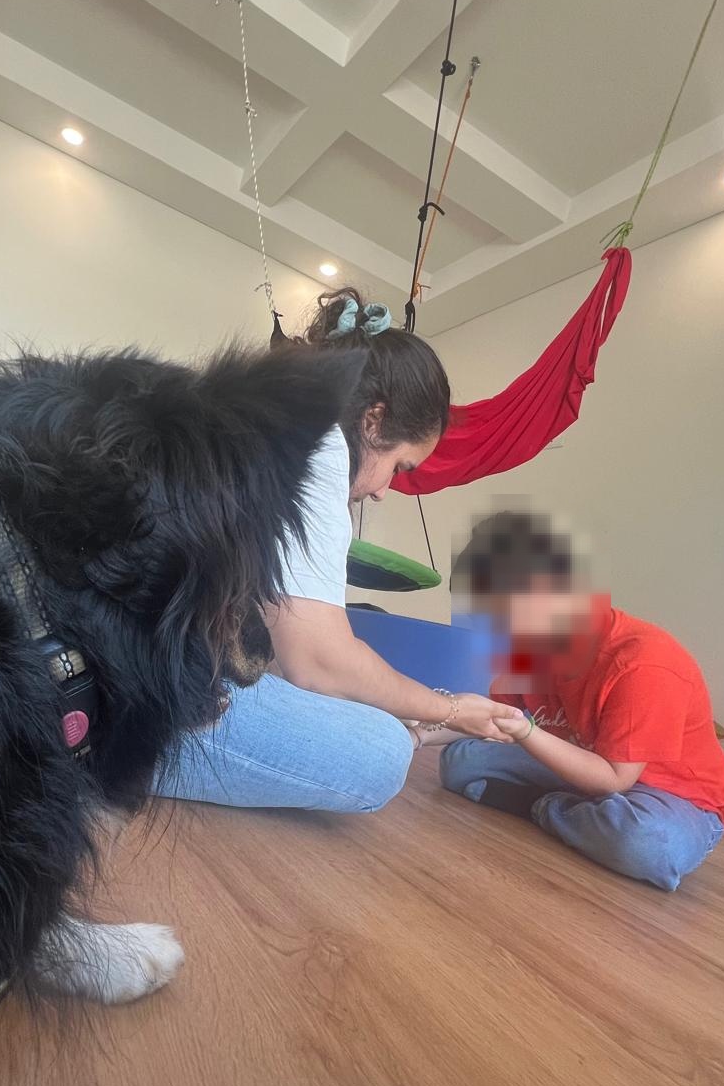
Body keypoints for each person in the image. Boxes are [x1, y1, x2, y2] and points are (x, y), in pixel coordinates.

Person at [154, 288, 524, 813]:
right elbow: (318, 663)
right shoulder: (320, 448)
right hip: (115, 680)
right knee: (381, 752)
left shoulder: (265, 413)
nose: (383, 491)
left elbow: (288, 641)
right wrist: (449, 709)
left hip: (104, 636)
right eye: (398, 467)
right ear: (373, 420)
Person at [441, 510, 724, 890]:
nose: (499, 637)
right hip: (584, 767)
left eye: (503, 621)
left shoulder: (644, 665)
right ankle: (582, 816)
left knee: (648, 845)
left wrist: (526, 732)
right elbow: (494, 718)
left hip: (668, 795)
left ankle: (542, 807)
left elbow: (613, 779)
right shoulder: (535, 646)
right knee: (460, 762)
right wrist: (424, 728)